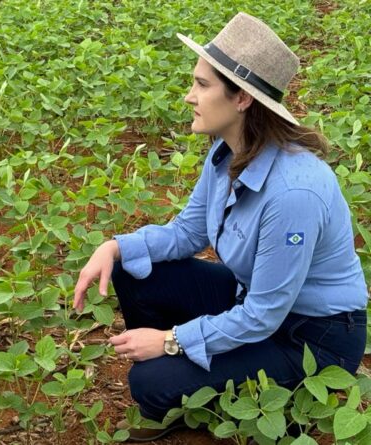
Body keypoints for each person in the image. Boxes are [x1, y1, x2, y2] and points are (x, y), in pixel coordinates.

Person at [74, 12, 368, 442]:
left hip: (309, 337)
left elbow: (265, 315)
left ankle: (260, 408)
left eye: (202, 85)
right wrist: (114, 247)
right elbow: (187, 234)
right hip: (250, 300)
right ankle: (200, 382)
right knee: (133, 267)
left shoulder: (294, 193)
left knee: (150, 384)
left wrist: (170, 340)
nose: (190, 96)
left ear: (242, 99)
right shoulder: (228, 152)